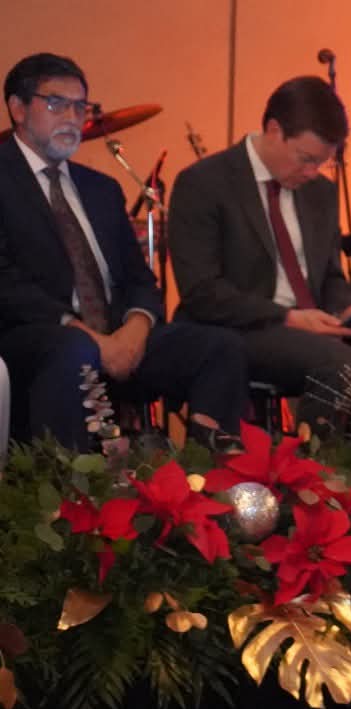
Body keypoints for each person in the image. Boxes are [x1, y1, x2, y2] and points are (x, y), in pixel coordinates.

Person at [167, 75, 351, 435]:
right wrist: (290, 318)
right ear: (274, 130)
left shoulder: (319, 192)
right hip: (239, 328)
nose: (312, 172)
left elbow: (329, 275)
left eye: (322, 163)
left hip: (315, 327)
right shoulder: (205, 182)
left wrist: (349, 310)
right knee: (335, 361)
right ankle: (312, 468)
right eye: (305, 159)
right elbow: (202, 292)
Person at [0, 53, 246, 451]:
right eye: (56, 103)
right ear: (18, 108)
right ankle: (69, 483)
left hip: (115, 334)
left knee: (220, 346)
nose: (72, 118)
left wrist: (134, 330)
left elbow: (139, 278)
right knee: (74, 349)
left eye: (80, 106)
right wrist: (89, 337)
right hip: (32, 337)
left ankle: (205, 475)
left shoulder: (101, 188)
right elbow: (7, 286)